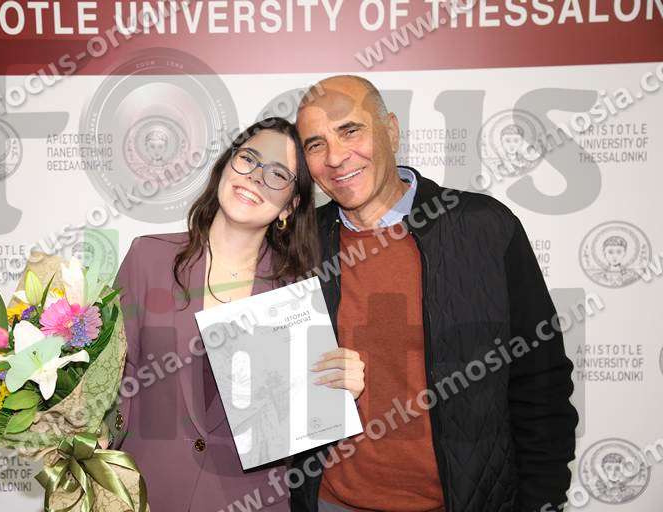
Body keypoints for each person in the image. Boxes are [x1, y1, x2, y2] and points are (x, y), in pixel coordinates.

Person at [290, 75, 579, 512]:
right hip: (332, 503)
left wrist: (542, 500)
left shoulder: (483, 227)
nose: (335, 157)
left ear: (391, 131)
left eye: (350, 130)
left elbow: (541, 381)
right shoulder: (300, 245)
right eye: (316, 144)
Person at [107, 117, 366, 511]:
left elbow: (304, 418)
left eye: (277, 174)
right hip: (144, 493)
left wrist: (339, 387)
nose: (256, 177)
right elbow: (111, 382)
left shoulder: (299, 293)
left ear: (290, 206)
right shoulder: (148, 256)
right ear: (226, 166)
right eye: (248, 159)